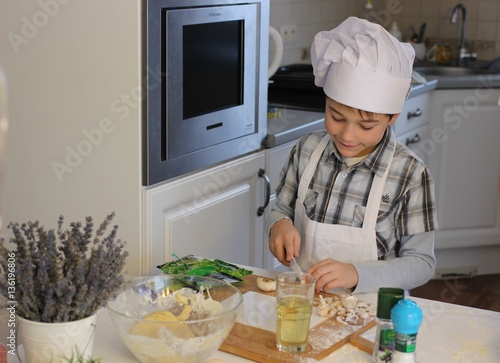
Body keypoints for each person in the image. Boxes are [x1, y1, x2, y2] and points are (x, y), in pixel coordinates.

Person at [265, 17, 438, 294]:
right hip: (307, 303)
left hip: (375, 315)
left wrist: (357, 273)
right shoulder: (306, 151)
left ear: (392, 116)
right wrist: (279, 226)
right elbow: (280, 210)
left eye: (366, 126)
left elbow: (421, 263)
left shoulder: (411, 175)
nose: (347, 135)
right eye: (336, 116)